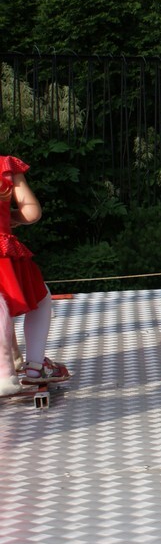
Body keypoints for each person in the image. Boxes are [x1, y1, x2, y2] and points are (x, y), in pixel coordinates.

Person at [0, 156, 70, 396]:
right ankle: (35, 367)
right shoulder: (5, 168)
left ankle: (6, 371)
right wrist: (13, 218)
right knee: (41, 299)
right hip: (3, 255)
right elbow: (32, 212)